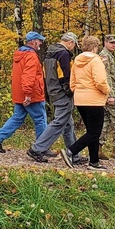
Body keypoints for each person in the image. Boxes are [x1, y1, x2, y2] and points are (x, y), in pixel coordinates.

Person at [26, 32, 83, 164]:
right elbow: (65, 76)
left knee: (68, 125)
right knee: (59, 122)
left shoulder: (49, 53)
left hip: (53, 91)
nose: (73, 48)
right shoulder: (63, 54)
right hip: (62, 93)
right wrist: (70, 92)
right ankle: (37, 148)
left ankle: (74, 154)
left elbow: (45, 76)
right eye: (74, 45)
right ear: (70, 42)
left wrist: (47, 93)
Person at [0, 31, 47, 153]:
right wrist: (28, 94)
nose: (41, 42)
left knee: (17, 118)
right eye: (39, 40)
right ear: (33, 42)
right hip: (31, 95)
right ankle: (41, 147)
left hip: (20, 93)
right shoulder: (31, 56)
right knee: (40, 119)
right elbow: (28, 76)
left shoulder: (19, 54)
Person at [60, 35, 110, 172]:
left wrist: (79, 92)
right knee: (95, 132)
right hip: (94, 100)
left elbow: (72, 82)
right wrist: (107, 91)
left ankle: (94, 162)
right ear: (95, 47)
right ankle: (70, 151)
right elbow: (100, 81)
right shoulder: (96, 61)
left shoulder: (77, 60)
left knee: (91, 131)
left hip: (80, 100)